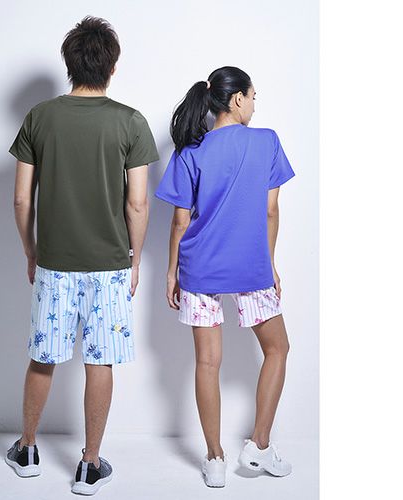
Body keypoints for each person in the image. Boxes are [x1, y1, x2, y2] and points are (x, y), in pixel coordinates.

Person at [5, 16, 159, 495]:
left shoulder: (40, 118)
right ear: (111, 66)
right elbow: (137, 202)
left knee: (43, 357)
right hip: (110, 265)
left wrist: (31, 251)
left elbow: (22, 199)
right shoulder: (130, 121)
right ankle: (90, 465)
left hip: (54, 262)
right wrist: (135, 260)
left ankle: (27, 449)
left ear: (69, 64)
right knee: (100, 362)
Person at [154, 66, 295, 488]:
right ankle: (259, 445)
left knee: (206, 363)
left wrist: (171, 272)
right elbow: (270, 211)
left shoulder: (190, 151)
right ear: (237, 100)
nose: (254, 106)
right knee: (278, 349)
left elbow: (180, 222)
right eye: (253, 97)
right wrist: (270, 264)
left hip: (199, 267)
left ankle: (215, 458)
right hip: (252, 266)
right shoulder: (267, 142)